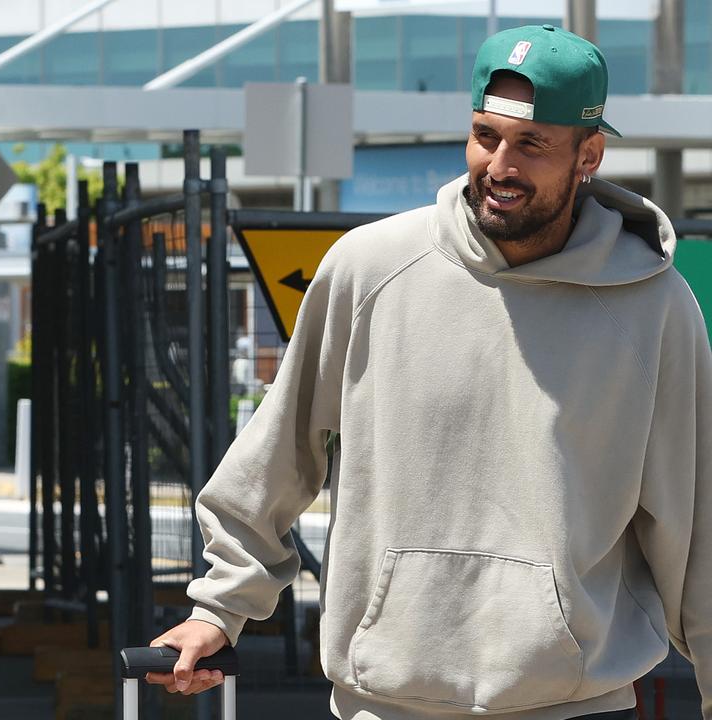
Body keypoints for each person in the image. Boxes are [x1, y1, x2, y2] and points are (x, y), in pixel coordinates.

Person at [148, 25, 712, 720]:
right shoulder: (369, 269)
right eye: (485, 135)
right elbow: (279, 453)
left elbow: (698, 520)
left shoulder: (653, 306)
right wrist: (220, 607)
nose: (499, 164)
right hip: (381, 704)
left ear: (588, 155)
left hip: (578, 704)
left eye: (532, 144)